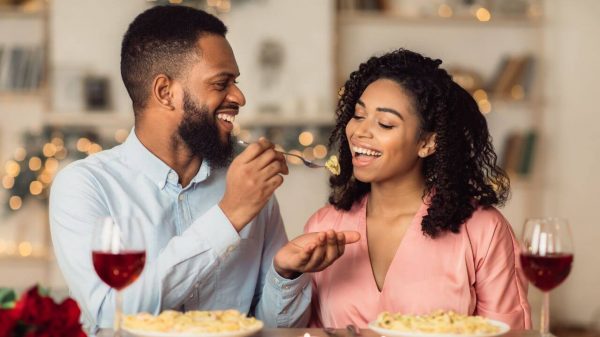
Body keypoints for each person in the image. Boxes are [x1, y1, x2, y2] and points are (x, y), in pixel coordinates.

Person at [49, 5, 358, 334]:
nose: (239, 97)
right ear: (165, 92)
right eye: (221, 83)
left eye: (235, 82)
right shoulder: (86, 187)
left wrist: (285, 275)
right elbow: (111, 313)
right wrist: (228, 215)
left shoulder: (249, 181)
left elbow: (272, 329)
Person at [304, 49, 532, 329]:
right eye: (358, 114)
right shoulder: (324, 226)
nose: (360, 132)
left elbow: (508, 333)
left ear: (427, 143)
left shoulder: (484, 230)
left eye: (385, 123)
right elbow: (305, 330)